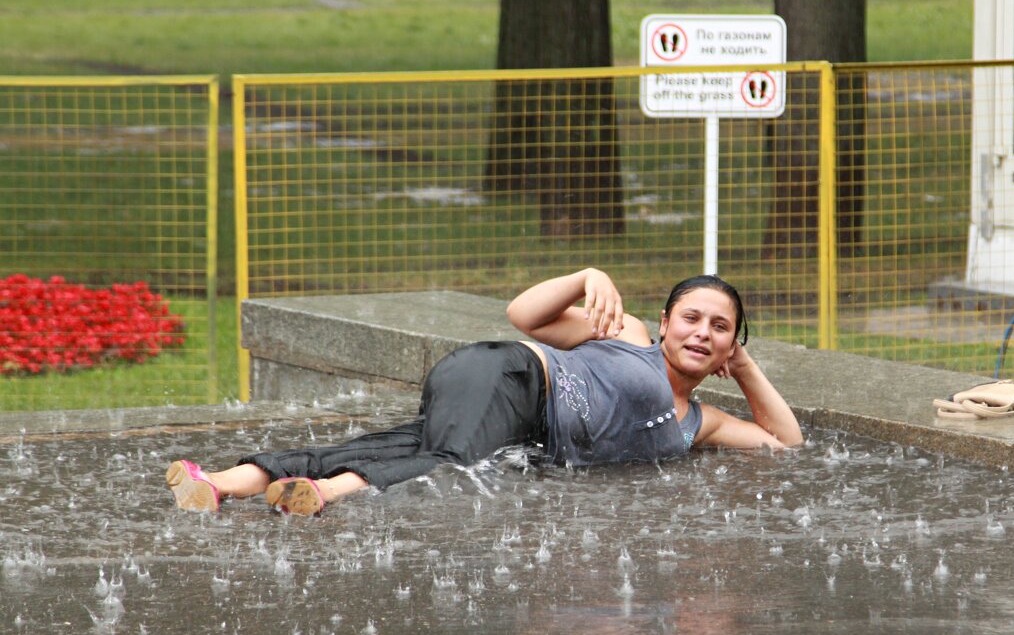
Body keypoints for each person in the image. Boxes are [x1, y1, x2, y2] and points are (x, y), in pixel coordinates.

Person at [166, 268, 804, 516]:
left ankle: (215, 482)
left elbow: (785, 442)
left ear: (729, 347)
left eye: (720, 328)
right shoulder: (626, 332)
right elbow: (523, 315)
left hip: (503, 421)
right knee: (448, 465)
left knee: (380, 448)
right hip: (507, 376)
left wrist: (745, 365)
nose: (702, 332)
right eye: (690, 317)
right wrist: (588, 277)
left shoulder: (700, 423)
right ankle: (325, 497)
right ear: (664, 323)